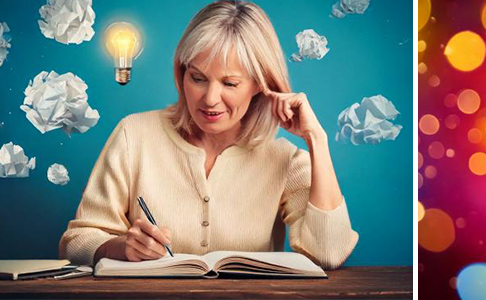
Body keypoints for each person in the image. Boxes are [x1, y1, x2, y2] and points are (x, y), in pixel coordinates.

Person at [59, 0, 358, 270]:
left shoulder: (285, 160)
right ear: (182, 72)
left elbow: (328, 254)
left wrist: (317, 140)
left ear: (259, 85)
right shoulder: (133, 135)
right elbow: (76, 241)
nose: (210, 99)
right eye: (198, 78)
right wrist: (122, 248)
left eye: (230, 83)